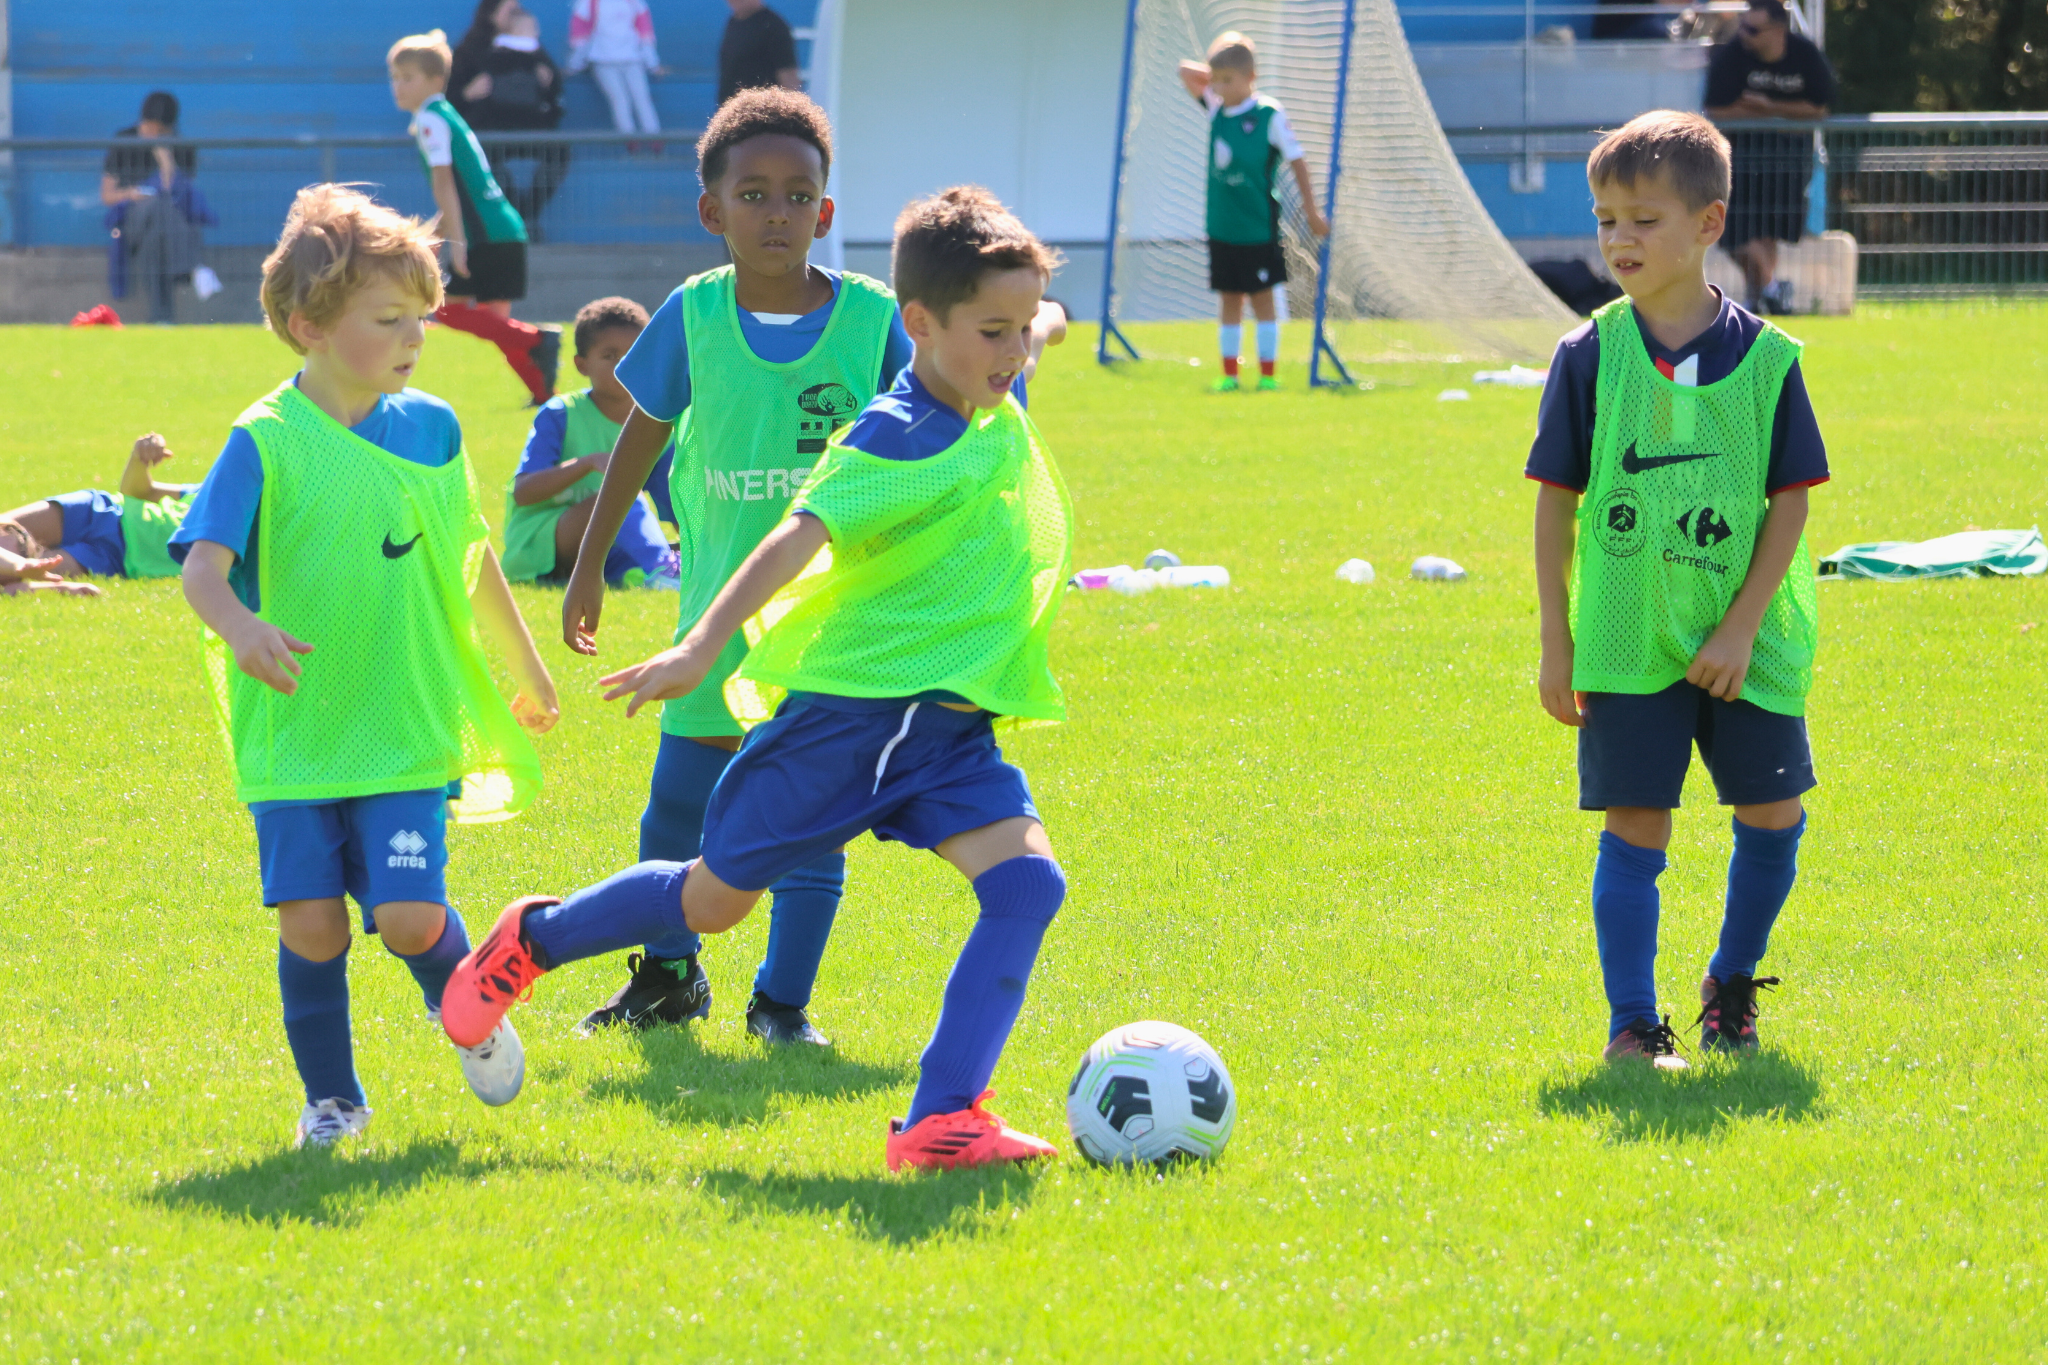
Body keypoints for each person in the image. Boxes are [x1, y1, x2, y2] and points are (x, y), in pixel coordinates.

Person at [440, 185, 1073, 1176]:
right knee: (710, 903)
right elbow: (794, 537)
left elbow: (1019, 319)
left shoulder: (982, 386)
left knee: (1028, 885)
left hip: (946, 737)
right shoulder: (893, 434)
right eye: (995, 331)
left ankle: (939, 1120)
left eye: (1026, 330)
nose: (1015, 353)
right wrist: (698, 649)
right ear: (919, 326)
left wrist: (1031, 315)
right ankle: (534, 936)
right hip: (844, 728)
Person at [170, 184, 561, 1148]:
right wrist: (243, 628)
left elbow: (467, 559)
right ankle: (333, 1102)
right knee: (313, 928)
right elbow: (202, 572)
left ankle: (469, 1012)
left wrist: (526, 664)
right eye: (388, 320)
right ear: (307, 325)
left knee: (412, 915)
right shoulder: (263, 441)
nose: (413, 338)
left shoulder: (433, 429)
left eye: (419, 318)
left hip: (401, 718)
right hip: (298, 730)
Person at [551, 88, 913, 1044]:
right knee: (676, 809)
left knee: (809, 823)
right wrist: (590, 562)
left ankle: (783, 1005)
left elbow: (934, 434)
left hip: (831, 627)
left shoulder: (873, 321)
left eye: (799, 195)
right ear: (712, 211)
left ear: (825, 213)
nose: (777, 212)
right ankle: (669, 980)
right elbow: (642, 435)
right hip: (713, 620)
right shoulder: (695, 314)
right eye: (752, 194)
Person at [1528, 111, 1827, 1070]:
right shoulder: (1587, 355)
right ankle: (1631, 1023)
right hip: (1625, 636)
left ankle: (1730, 984)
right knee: (1636, 824)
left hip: (1746, 641)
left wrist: (1741, 627)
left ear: (1708, 224)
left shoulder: (1771, 362)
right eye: (1606, 218)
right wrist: (1556, 640)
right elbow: (1555, 507)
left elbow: (1790, 503)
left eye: (1643, 219)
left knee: (1773, 814)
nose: (1618, 238)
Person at [388, 30, 561, 407]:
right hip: (503, 229)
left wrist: (458, 244)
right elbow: (462, 193)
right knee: (499, 328)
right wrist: (437, 231)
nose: (398, 86)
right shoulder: (443, 115)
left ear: (436, 80)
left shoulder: (431, 120)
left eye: (408, 77)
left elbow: (444, 182)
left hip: (486, 235)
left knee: (444, 309)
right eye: (395, 78)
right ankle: (545, 394)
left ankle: (539, 340)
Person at [1176, 32, 1328, 393]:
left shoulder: (1268, 115)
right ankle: (1229, 374)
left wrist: (1311, 209)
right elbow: (1184, 71)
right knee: (1229, 299)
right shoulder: (1216, 107)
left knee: (1262, 300)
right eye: (1216, 81)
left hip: (1257, 227)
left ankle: (1268, 374)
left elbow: (1297, 161)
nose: (1220, 87)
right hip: (1221, 226)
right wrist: (1217, 72)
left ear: (1251, 78)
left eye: (1229, 80)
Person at [502, 296, 679, 589]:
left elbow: (676, 508)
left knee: (679, 551)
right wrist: (586, 464)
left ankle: (653, 573)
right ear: (582, 365)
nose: (623, 366)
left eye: (634, 355)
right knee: (620, 493)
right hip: (544, 546)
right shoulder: (561, 413)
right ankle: (663, 571)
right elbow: (523, 492)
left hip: (604, 548)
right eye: (609, 356)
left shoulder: (657, 424)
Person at [1704, 0, 1834, 313]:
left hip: (1788, 159)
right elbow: (1718, 110)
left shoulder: (1805, 54)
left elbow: (1818, 109)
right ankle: (1773, 288)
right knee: (1732, 232)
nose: (1744, 34)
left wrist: (1766, 108)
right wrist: (1781, 115)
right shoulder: (1732, 55)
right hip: (1739, 159)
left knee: (1768, 233)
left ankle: (1756, 300)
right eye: (1743, 26)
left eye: (1753, 29)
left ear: (1777, 31)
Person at [0, 433, 196, 588]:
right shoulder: (215, 489)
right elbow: (140, 491)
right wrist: (139, 458)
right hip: (100, 511)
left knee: (13, 574)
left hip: (118, 556)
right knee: (3, 528)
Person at [449, 1, 569, 238]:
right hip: (490, 129)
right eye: (509, 8)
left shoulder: (531, 48)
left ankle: (525, 215)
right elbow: (450, 97)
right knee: (485, 161)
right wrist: (467, 93)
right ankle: (518, 217)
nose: (516, 13)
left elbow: (553, 88)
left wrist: (549, 81)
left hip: (531, 128)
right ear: (491, 14)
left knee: (560, 154)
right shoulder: (470, 49)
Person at [99, 91, 217, 324]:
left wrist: (166, 162)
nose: (152, 133)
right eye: (148, 126)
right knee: (155, 203)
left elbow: (179, 196)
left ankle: (161, 319)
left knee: (155, 239)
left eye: (159, 130)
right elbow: (107, 195)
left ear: (169, 129)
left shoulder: (181, 147)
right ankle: (195, 266)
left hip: (163, 230)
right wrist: (131, 194)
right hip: (131, 222)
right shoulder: (123, 140)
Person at [567, 0, 663, 135]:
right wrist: (574, 66)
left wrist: (653, 64)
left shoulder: (636, 3)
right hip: (603, 62)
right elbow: (580, 38)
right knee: (621, 101)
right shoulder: (587, 4)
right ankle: (631, 144)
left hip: (632, 61)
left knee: (641, 100)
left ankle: (655, 144)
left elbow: (645, 35)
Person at [718, 0, 801, 105]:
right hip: (733, 112)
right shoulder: (733, 22)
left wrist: (791, 111)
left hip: (763, 113)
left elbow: (788, 76)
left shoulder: (774, 26)